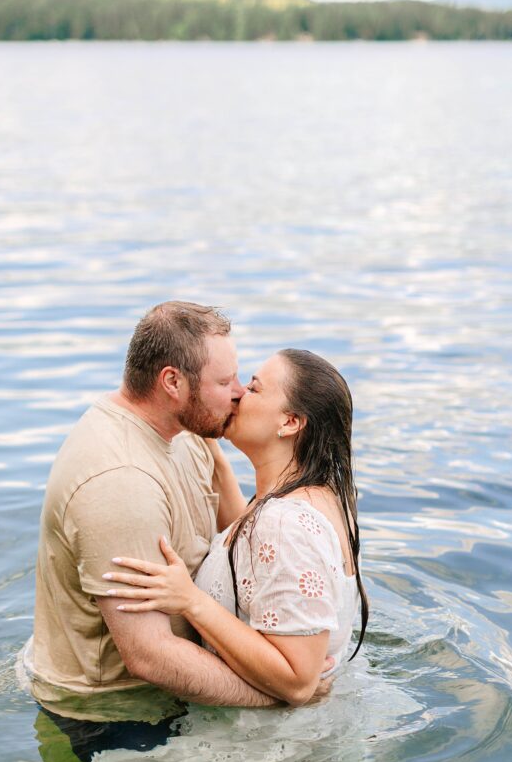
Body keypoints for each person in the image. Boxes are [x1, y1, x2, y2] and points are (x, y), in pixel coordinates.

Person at [29, 301, 306, 722]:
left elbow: (236, 539)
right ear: (172, 382)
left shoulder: (184, 431)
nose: (238, 393)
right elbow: (149, 656)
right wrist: (282, 694)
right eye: (224, 380)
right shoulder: (120, 481)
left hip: (174, 688)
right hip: (109, 714)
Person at [102, 348, 368, 707]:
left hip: (265, 748)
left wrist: (190, 601)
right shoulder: (317, 498)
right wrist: (214, 450)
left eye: (255, 388)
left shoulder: (285, 524)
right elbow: (249, 552)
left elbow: (297, 681)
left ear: (289, 422)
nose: (240, 393)